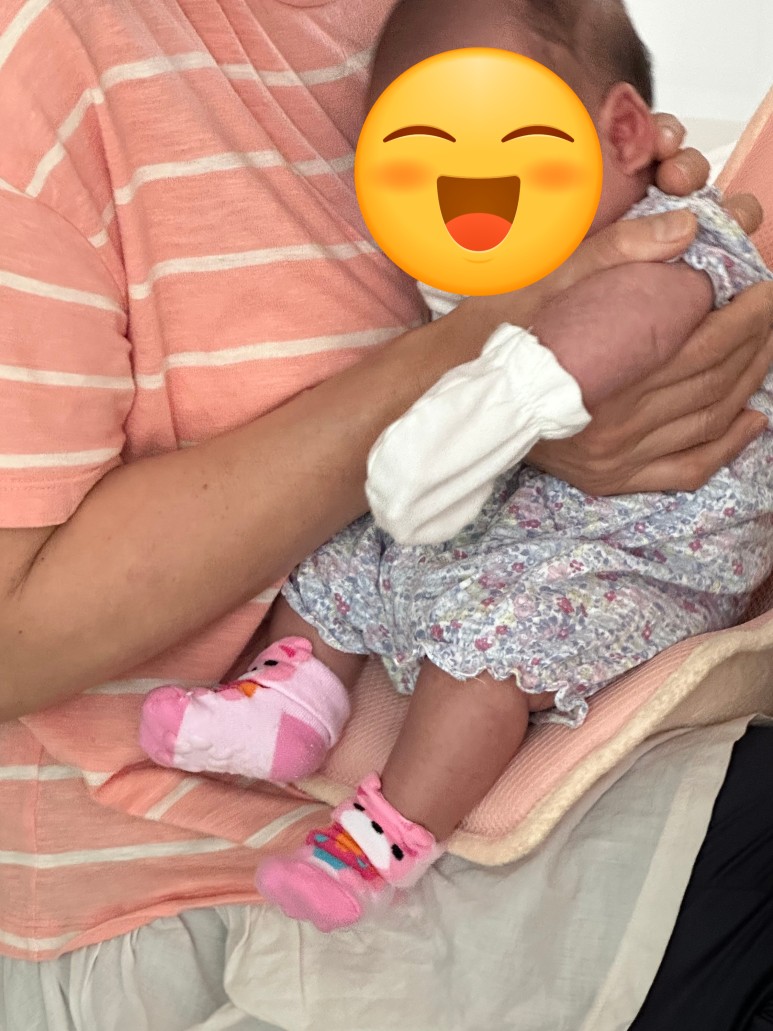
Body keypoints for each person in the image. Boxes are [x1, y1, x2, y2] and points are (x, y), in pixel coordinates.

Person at [0, 0, 770, 1011]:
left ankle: (384, 822)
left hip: (591, 645)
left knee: (489, 644)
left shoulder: (466, 25)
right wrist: (473, 379)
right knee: (354, 567)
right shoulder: (51, 59)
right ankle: (297, 706)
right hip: (175, 886)